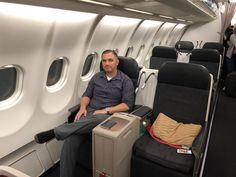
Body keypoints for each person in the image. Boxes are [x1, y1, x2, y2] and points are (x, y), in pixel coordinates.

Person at [34, 49, 135, 177]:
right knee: (70, 140)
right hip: (89, 116)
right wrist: (82, 108)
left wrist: (106, 110)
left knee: (99, 118)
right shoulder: (96, 77)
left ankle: (55, 132)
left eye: (110, 60)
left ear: (117, 62)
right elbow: (86, 95)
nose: (107, 63)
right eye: (104, 60)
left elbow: (127, 105)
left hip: (108, 118)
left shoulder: (125, 81)